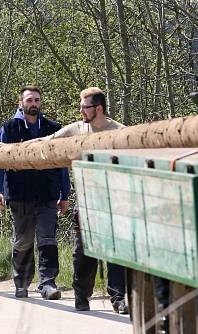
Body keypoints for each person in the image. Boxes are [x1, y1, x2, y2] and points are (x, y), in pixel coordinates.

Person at [39, 87, 128, 313]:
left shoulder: (119, 131)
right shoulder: (76, 129)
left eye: (84, 106)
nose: (80, 110)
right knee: (83, 251)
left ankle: (118, 298)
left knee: (116, 251)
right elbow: (48, 141)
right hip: (87, 200)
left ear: (98, 108)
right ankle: (82, 297)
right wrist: (10, 148)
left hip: (114, 200)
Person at [0, 86, 69, 300]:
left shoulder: (53, 129)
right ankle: (22, 283)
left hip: (47, 193)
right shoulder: (9, 128)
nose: (33, 104)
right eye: (29, 100)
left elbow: (62, 164)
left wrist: (65, 194)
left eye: (36, 100)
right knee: (23, 240)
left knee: (47, 238)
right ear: (21, 103)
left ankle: (47, 283)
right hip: (19, 193)